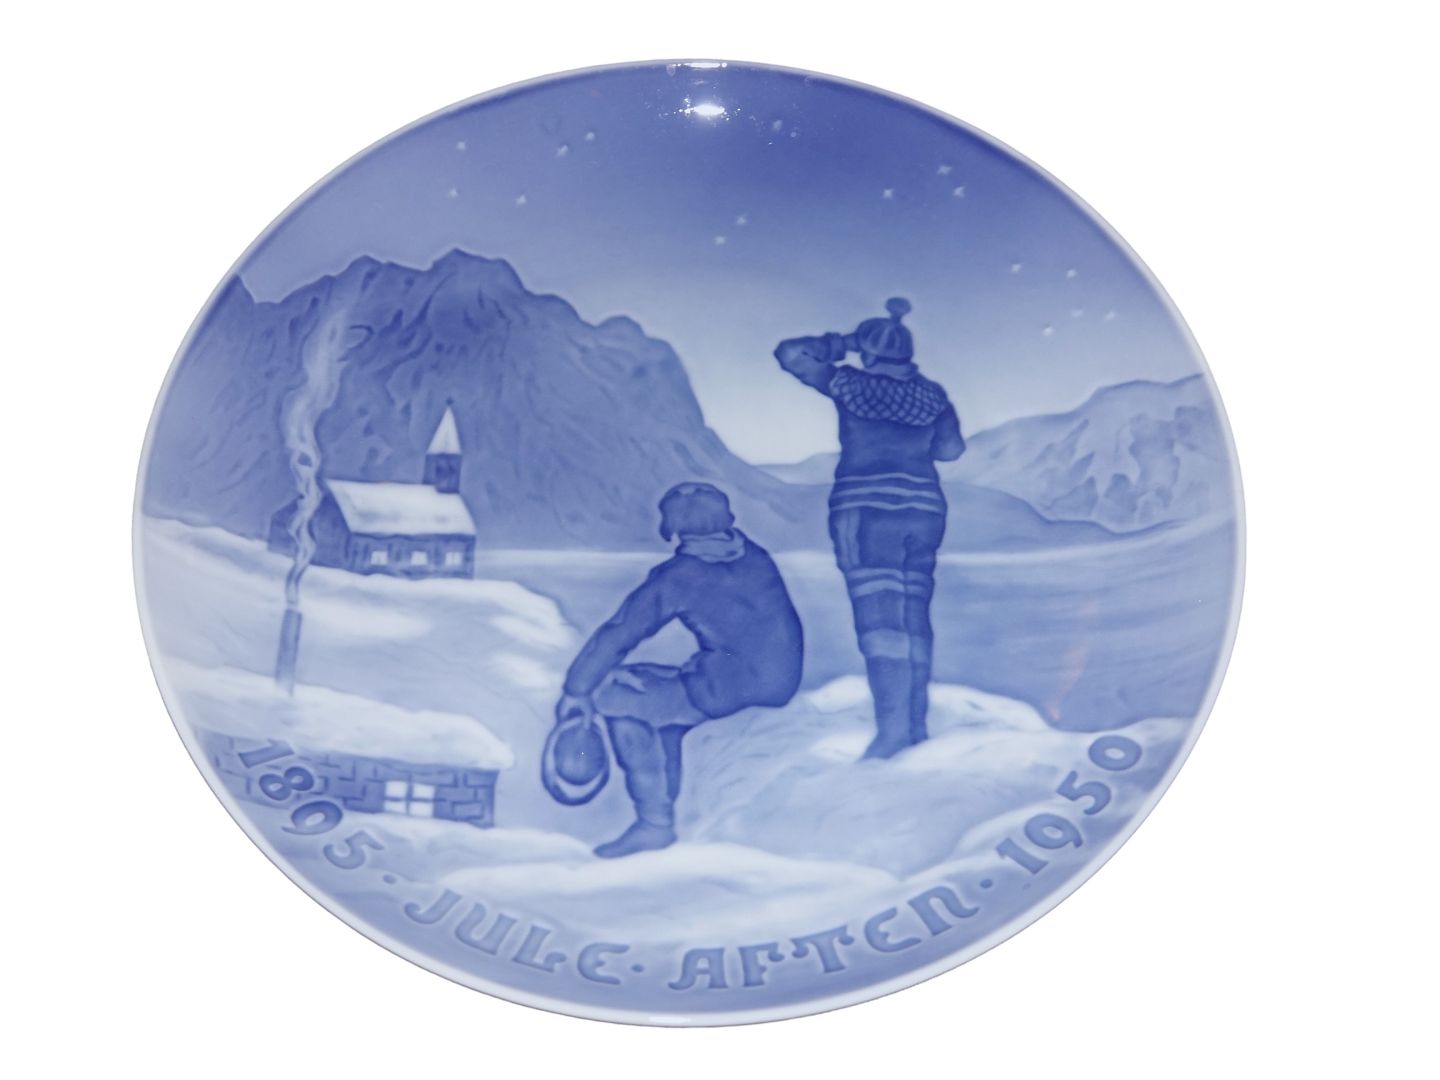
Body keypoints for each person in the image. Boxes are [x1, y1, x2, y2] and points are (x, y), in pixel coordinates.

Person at [553, 482, 803, 858]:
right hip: (777, 680)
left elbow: (621, 631)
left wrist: (577, 688)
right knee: (650, 683)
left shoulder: (679, 575)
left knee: (617, 697)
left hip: (727, 688)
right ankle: (667, 789)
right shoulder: (754, 555)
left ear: (672, 527)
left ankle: (654, 823)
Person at [774, 298, 965, 759]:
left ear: (869, 352)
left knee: (879, 621)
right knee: (914, 617)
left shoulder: (849, 383)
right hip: (924, 510)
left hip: (865, 511)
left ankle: (892, 733)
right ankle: (915, 726)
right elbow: (951, 451)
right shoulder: (933, 395)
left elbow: (789, 353)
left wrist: (843, 343)